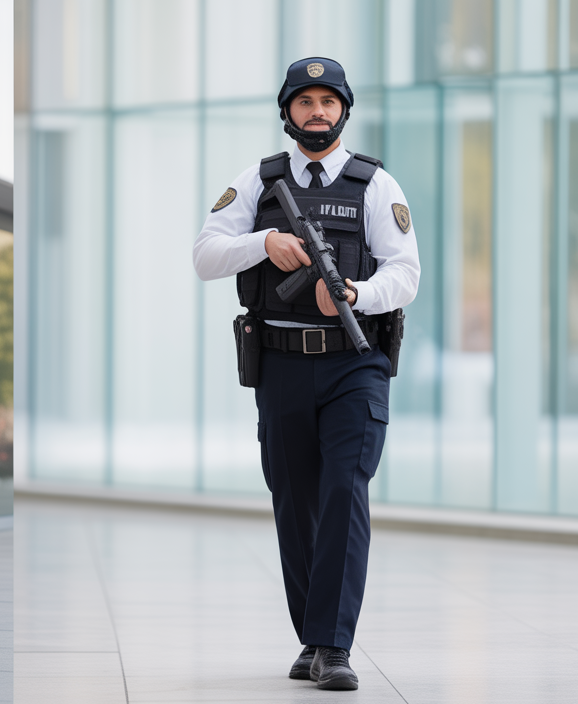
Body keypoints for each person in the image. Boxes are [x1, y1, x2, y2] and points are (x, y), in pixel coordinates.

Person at [192, 57, 420, 691]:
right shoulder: (258, 183)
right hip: (283, 366)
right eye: (304, 101)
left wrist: (357, 292)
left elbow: (406, 273)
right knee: (294, 501)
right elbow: (206, 254)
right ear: (287, 111)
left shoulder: (376, 184)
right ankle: (312, 637)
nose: (317, 112)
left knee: (344, 491)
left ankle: (333, 645)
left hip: (356, 363)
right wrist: (263, 243)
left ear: (344, 109)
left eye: (328, 101)